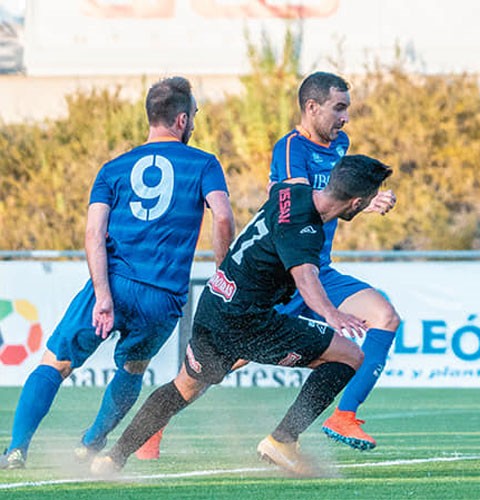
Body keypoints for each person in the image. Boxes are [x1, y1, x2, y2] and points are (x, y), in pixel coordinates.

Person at [90, 154, 393, 477]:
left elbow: (280, 187)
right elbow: (306, 279)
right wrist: (332, 314)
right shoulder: (306, 233)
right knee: (349, 356)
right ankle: (283, 440)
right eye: (365, 203)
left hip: (214, 305)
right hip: (248, 321)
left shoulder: (290, 192)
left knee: (184, 388)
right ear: (357, 202)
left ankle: (113, 457)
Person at [0, 76, 235, 470]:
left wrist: (103, 296)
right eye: (193, 115)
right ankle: (91, 442)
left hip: (113, 282)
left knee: (55, 363)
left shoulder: (112, 169)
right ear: (180, 120)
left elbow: (94, 232)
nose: (193, 121)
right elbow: (223, 216)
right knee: (132, 368)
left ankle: (16, 450)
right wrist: (222, 271)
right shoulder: (204, 163)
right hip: (162, 297)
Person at [270, 71, 400, 450]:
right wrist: (350, 202)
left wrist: (363, 203)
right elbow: (295, 208)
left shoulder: (341, 144)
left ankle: (344, 416)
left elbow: (336, 203)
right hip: (284, 271)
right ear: (312, 107)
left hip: (320, 269)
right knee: (221, 363)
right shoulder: (291, 148)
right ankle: (155, 422)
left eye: (347, 108)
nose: (345, 118)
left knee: (385, 317)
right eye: (338, 108)